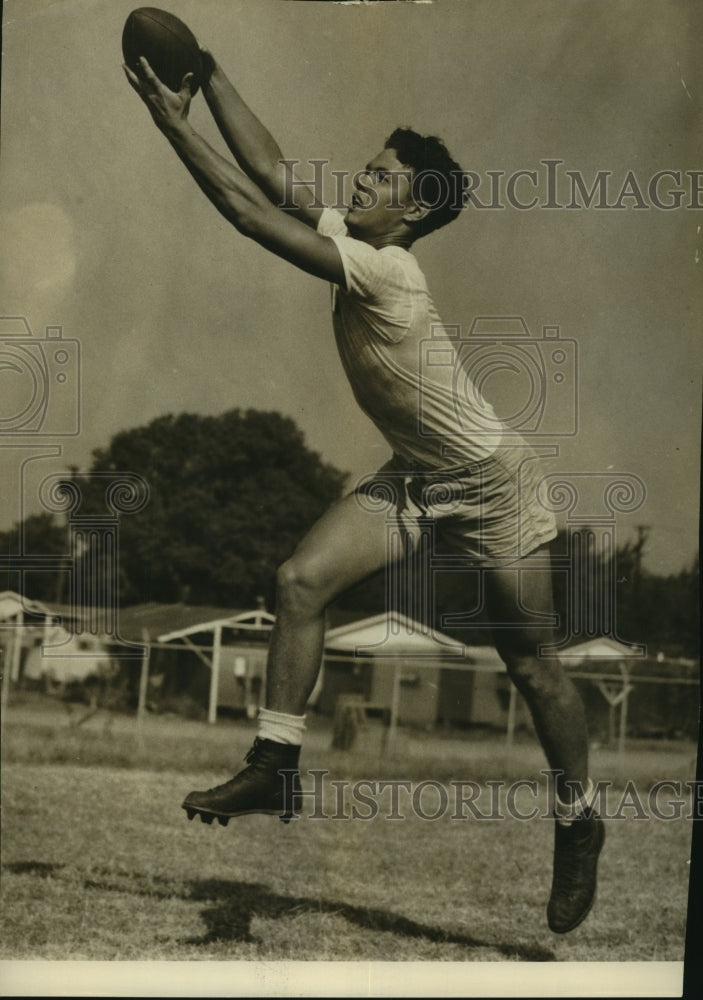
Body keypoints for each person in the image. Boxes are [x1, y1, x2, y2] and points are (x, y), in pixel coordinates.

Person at [124, 50, 604, 934]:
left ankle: (578, 820)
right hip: (418, 478)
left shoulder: (388, 269)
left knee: (531, 667)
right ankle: (275, 760)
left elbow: (243, 208)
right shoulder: (361, 239)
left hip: (490, 482)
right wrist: (211, 70)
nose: (361, 179)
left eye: (381, 175)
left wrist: (171, 122)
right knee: (298, 580)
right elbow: (271, 174)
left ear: (414, 207)